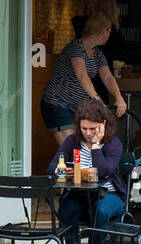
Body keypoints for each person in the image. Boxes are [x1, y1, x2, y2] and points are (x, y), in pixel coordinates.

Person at [46, 98, 126, 244]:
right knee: (66, 207)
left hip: (110, 196)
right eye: (84, 128)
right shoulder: (72, 142)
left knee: (101, 210)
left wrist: (96, 145)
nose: (88, 133)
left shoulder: (113, 144)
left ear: (103, 124)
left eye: (92, 129)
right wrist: (62, 171)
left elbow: (104, 170)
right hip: (80, 195)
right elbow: (51, 167)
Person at [40, 9, 127, 146]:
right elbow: (81, 75)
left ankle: (79, 168)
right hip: (58, 103)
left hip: (76, 106)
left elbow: (108, 77)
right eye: (109, 30)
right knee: (73, 150)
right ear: (103, 31)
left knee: (85, 148)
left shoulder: (97, 54)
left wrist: (118, 97)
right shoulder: (76, 47)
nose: (110, 34)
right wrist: (97, 100)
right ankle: (74, 168)